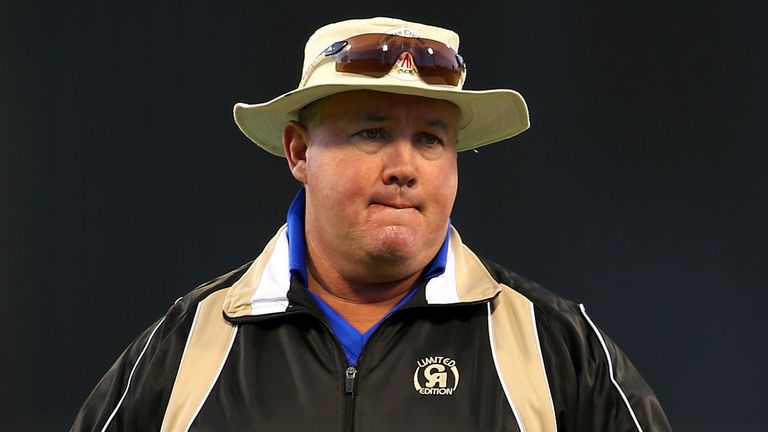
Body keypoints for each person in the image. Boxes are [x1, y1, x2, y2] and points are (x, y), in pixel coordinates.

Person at [72, 17, 671, 432]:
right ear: (299, 153)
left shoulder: (558, 350)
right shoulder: (186, 350)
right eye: (373, 132)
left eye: (431, 140)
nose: (405, 168)